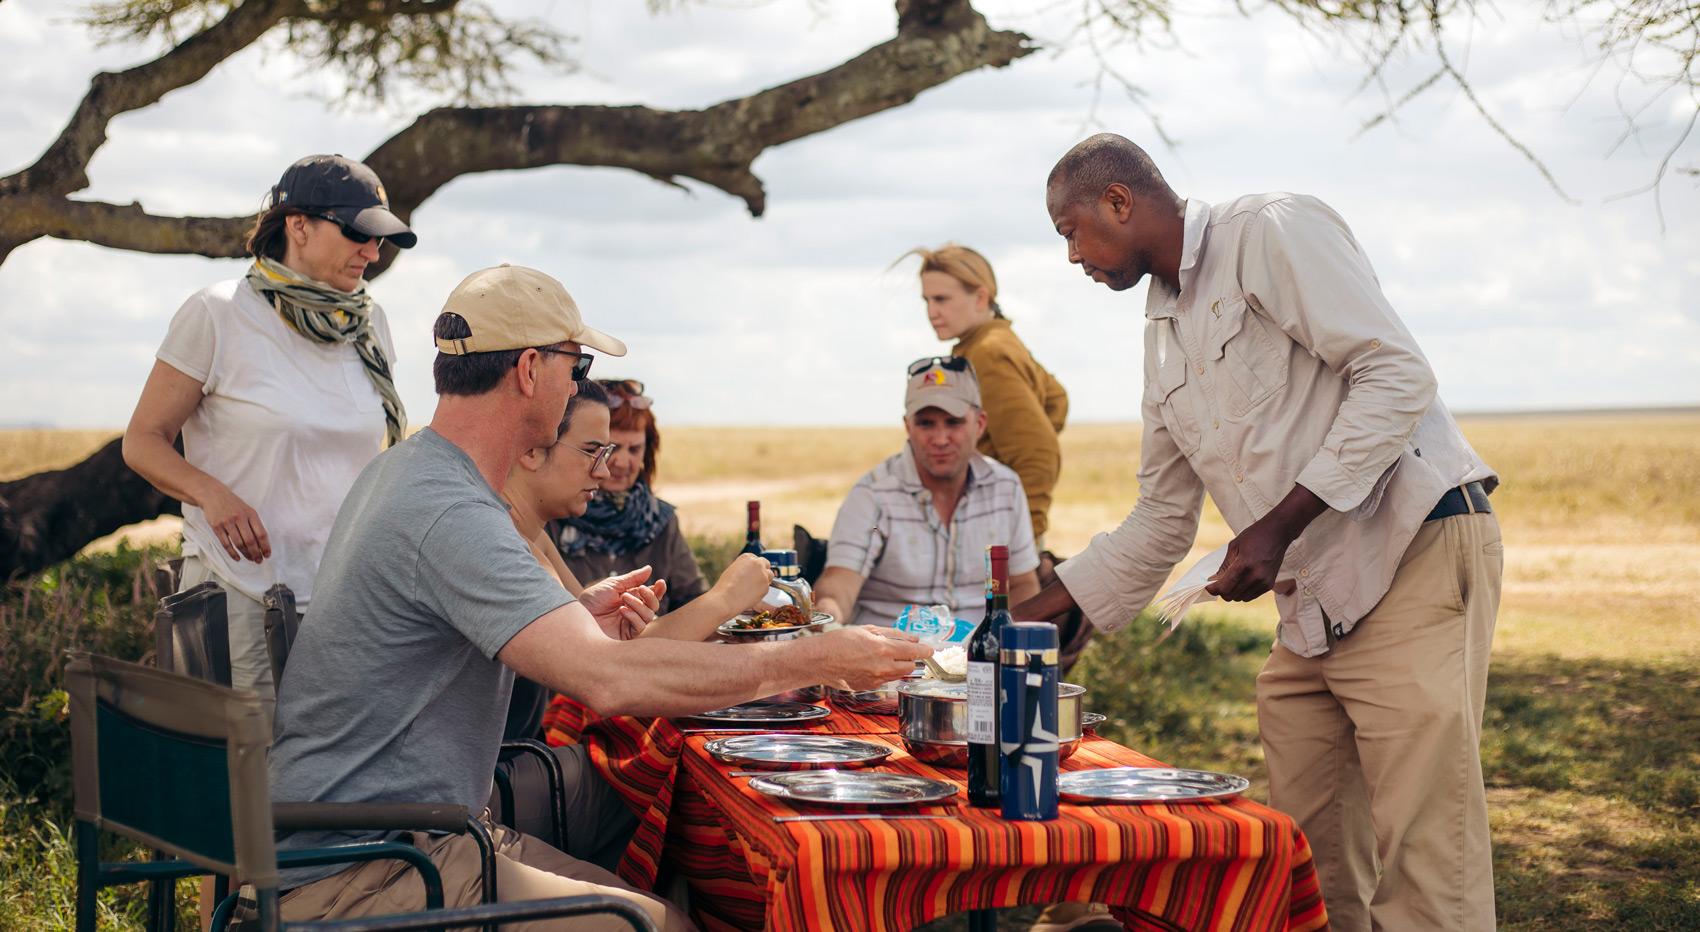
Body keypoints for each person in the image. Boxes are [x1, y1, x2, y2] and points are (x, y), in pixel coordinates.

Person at [268, 264, 928, 930]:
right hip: (368, 869)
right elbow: (607, 684)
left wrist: (569, 618)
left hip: (394, 842)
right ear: (529, 370)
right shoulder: (453, 512)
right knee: (659, 923)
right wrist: (818, 658)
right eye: (574, 364)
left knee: (663, 901)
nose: (578, 384)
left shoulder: (408, 472)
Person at [1020, 133, 1502, 931]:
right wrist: (1037, 610)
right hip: (1315, 598)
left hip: (1410, 546)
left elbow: (1396, 375)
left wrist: (1273, 530)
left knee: (1426, 848)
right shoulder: (1161, 335)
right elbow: (1161, 519)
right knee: (1303, 856)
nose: (1072, 256)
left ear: (1118, 202)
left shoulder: (1270, 231)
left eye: (1070, 231)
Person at [123, 154, 416, 723]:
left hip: (344, 604)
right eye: (358, 233)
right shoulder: (217, 313)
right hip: (241, 599)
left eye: (380, 240)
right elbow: (143, 440)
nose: (372, 252)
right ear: (298, 224)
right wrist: (213, 494)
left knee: (328, 788)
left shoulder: (369, 323)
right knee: (248, 787)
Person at [813, 357, 1041, 629]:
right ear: (908, 427)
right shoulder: (874, 493)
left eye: (953, 422)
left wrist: (1005, 643)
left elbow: (1022, 583)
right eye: (926, 423)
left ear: (979, 424)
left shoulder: (1006, 488)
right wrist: (827, 619)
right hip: (891, 658)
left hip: (980, 655)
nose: (940, 439)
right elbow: (840, 582)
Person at [902, 243, 1068, 544]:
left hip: (997, 536)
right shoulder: (997, 340)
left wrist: (1021, 541)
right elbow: (1056, 400)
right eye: (926, 300)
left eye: (941, 299)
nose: (931, 312)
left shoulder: (988, 352)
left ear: (980, 297)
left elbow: (1037, 454)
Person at [555, 379, 709, 614]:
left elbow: (696, 604)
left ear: (648, 453)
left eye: (635, 449)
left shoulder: (660, 521)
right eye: (612, 448)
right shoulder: (553, 513)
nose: (622, 462)